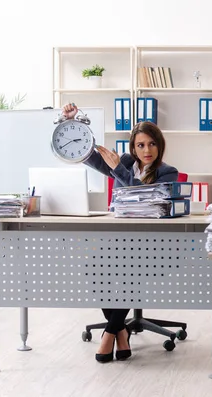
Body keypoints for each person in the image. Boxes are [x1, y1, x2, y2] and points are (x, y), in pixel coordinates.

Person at [62, 102, 178, 363]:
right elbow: (88, 156)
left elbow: (144, 195)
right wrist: (73, 124)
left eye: (151, 144)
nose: (146, 150)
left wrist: (118, 170)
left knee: (127, 271)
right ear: (132, 148)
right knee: (93, 267)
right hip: (117, 239)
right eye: (140, 145)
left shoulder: (166, 171)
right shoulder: (126, 162)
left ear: (159, 145)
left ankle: (109, 333)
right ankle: (121, 330)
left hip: (151, 248)